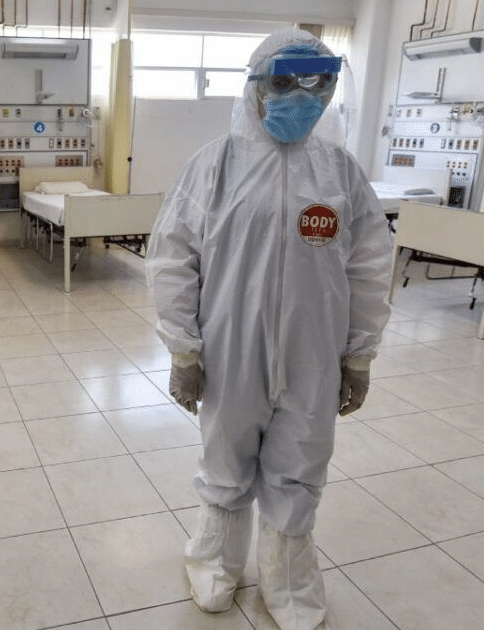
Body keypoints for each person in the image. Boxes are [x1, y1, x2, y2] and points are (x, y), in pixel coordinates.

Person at [146, 29, 392, 629]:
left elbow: (369, 264)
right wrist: (183, 348)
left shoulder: (339, 171)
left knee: (301, 461)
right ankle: (214, 563)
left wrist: (359, 356)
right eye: (285, 82)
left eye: (318, 84)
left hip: (316, 350)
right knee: (226, 455)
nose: (302, 97)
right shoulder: (216, 164)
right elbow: (173, 258)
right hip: (231, 347)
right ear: (255, 87)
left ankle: (288, 583)